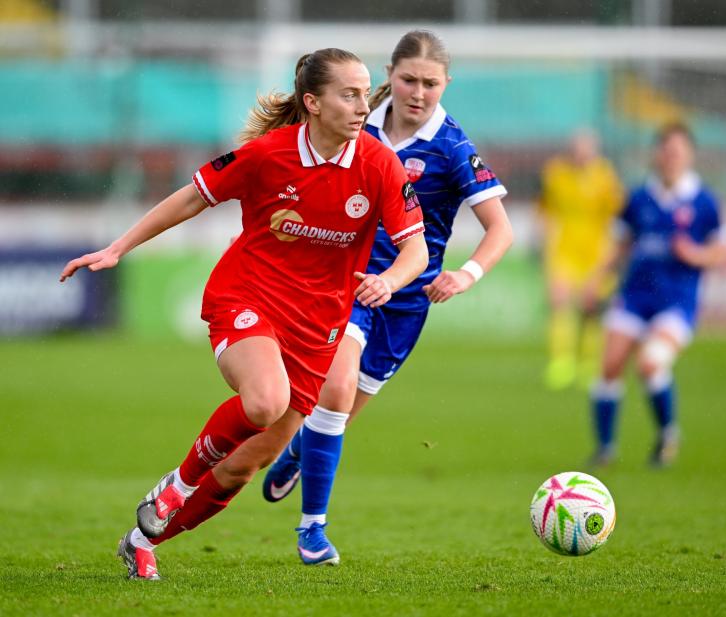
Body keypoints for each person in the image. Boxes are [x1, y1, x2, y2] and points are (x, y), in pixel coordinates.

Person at [140, 29, 513, 568]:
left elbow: (498, 229)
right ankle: (312, 529)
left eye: (430, 83)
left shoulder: (452, 147)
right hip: (346, 287)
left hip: (405, 297)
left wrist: (468, 273)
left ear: (445, 85)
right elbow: (263, 172)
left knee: (298, 433)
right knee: (330, 392)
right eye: (407, 79)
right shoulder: (357, 118)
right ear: (390, 75)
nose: (416, 92)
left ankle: (283, 459)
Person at [59, 47, 428, 580]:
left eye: (363, 92)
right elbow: (192, 198)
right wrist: (118, 248)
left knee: (240, 468)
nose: (362, 105)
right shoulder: (268, 154)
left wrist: (389, 280)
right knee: (265, 400)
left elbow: (415, 249)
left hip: (317, 326)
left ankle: (142, 539)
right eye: (348, 94)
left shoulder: (378, 164)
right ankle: (176, 487)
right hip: (247, 297)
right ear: (313, 103)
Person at [589, 122, 726, 467]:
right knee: (609, 366)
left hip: (677, 301)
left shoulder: (704, 201)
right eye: (665, 151)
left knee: (651, 363)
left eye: (677, 152)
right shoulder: (639, 197)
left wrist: (695, 255)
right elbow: (620, 244)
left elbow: (720, 250)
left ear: (689, 156)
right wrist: (596, 280)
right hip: (635, 296)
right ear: (656, 154)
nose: (670, 158)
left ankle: (668, 435)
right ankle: (605, 449)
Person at [538, 129, 623, 390]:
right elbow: (545, 209)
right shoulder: (555, 173)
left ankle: (588, 363)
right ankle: (561, 363)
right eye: (576, 148)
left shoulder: (605, 176)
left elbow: (616, 217)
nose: (580, 154)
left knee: (591, 308)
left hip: (595, 253)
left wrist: (612, 254)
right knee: (559, 302)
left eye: (586, 149)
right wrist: (543, 243)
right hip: (563, 250)